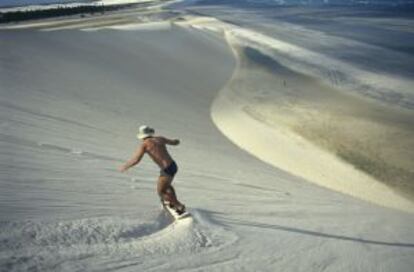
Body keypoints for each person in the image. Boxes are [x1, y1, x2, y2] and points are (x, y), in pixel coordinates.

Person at [119, 125, 185, 213]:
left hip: (166, 169)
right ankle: (173, 202)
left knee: (161, 191)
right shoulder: (160, 139)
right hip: (173, 165)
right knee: (167, 185)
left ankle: (178, 205)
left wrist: (126, 166)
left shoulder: (145, 144)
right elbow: (174, 142)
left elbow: (136, 159)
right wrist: (177, 141)